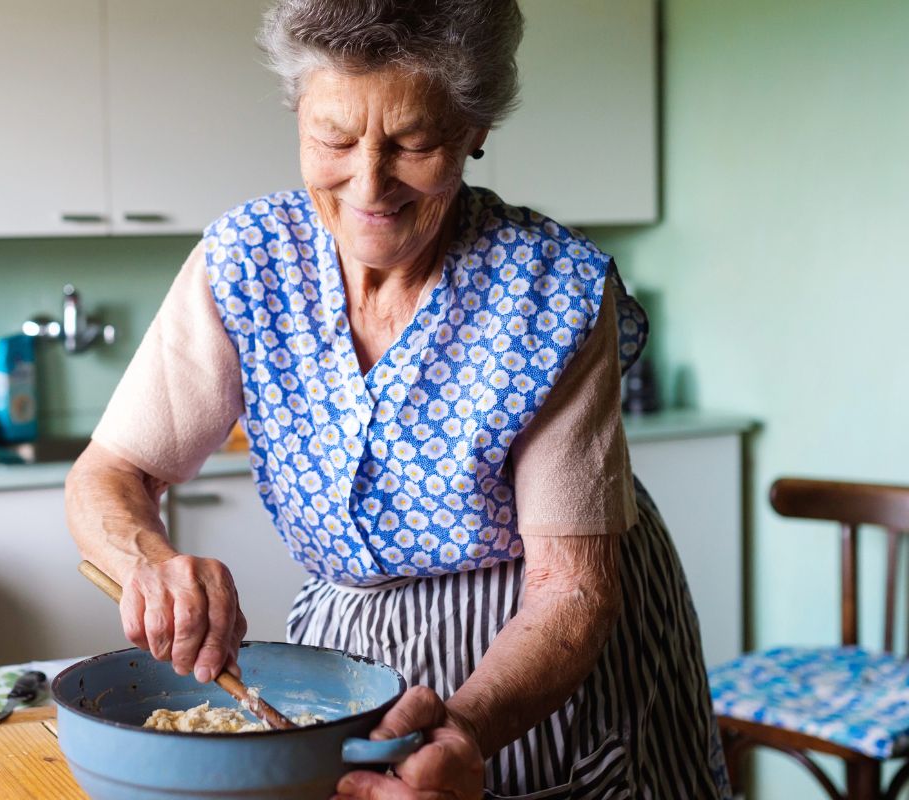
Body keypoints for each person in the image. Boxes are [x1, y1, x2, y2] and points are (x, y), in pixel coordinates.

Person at [66, 1, 730, 796]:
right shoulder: (244, 260)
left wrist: (466, 726)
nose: (369, 182)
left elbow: (571, 589)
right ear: (297, 115)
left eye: (414, 142)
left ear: (476, 129)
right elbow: (111, 470)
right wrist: (151, 564)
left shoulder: (553, 292)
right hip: (355, 651)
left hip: (545, 655)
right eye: (334, 139)